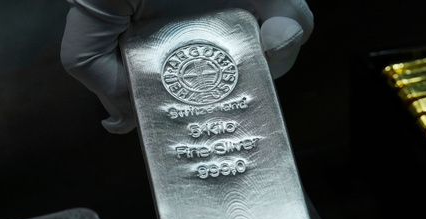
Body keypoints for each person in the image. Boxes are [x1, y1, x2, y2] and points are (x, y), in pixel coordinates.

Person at [60, 0, 313, 133]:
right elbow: (84, 58)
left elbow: (82, 58)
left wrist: (286, 38)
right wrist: (135, 101)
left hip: (247, 62)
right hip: (142, 72)